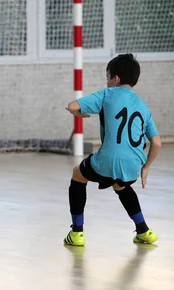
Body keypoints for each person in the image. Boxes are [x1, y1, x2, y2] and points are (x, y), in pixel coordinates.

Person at [63, 53, 162, 246]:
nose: (107, 82)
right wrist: (146, 167)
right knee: (121, 185)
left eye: (107, 77)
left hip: (107, 161)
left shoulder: (107, 94)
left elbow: (72, 106)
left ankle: (76, 233)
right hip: (134, 165)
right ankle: (144, 231)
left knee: (78, 175)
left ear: (115, 78)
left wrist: (80, 114)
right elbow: (156, 143)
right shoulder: (143, 106)